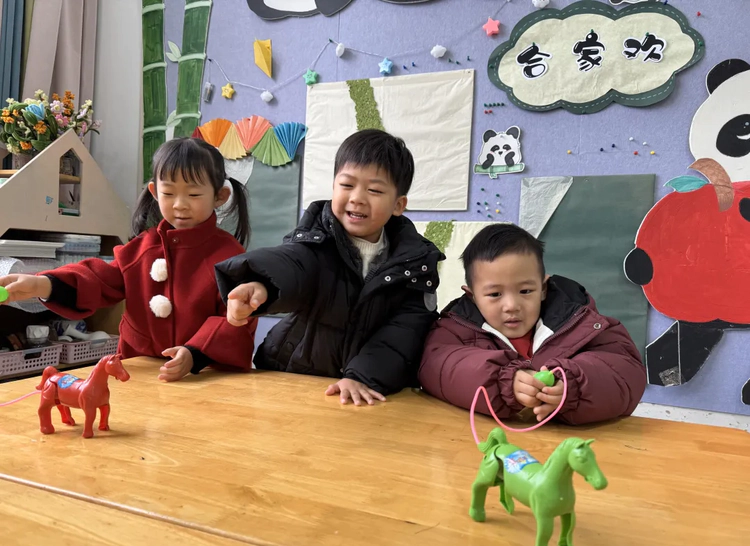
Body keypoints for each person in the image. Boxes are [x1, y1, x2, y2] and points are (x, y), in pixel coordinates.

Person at [214, 129, 444, 405]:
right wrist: (259, 284)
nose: (357, 198)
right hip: (293, 374)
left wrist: (363, 376)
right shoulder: (316, 237)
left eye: (374, 190)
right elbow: (293, 265)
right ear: (333, 187)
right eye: (347, 185)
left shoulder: (416, 266)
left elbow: (403, 334)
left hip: (368, 388)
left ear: (398, 205)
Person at [0, 138, 257, 381]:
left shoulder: (229, 256)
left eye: (194, 195)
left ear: (220, 196)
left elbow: (237, 319)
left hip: (207, 377)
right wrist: (42, 284)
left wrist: (195, 353)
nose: (180, 204)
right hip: (139, 374)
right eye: (169, 193)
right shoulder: (142, 248)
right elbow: (99, 279)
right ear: (155, 192)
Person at [418, 224, 646, 425]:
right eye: (495, 294)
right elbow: (437, 367)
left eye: (525, 291)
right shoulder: (453, 330)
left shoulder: (585, 323)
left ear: (543, 288)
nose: (511, 306)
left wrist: (573, 386)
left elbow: (626, 373)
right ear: (473, 297)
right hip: (488, 445)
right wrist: (502, 381)